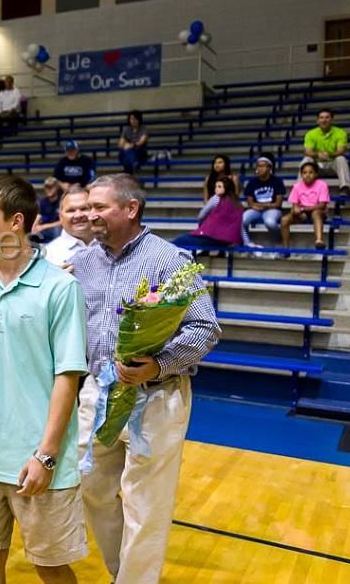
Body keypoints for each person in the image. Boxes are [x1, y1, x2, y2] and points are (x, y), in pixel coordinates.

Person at [70, 173, 220, 584]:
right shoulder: (83, 261)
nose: (90, 214)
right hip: (97, 393)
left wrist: (158, 365)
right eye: (87, 207)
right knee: (90, 489)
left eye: (99, 207)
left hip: (157, 395)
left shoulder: (171, 260)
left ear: (130, 209)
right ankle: (125, 572)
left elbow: (205, 328)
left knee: (145, 505)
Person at [0, 174, 89, 584]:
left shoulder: (61, 288)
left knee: (51, 567)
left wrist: (46, 454)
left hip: (39, 460)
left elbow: (68, 376)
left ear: (15, 222)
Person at [172, 176, 246, 249]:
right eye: (216, 186)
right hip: (227, 241)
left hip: (212, 237)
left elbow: (201, 215)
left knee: (178, 241)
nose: (216, 189)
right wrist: (247, 242)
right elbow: (240, 226)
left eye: (219, 186)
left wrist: (202, 226)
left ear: (226, 188)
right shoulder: (238, 204)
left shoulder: (216, 198)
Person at [303, 108, 350, 197]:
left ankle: (345, 187)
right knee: (307, 159)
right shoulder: (310, 134)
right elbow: (308, 152)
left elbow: (341, 150)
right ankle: (301, 187)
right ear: (317, 120)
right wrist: (318, 154)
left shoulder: (340, 132)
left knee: (341, 159)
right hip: (317, 167)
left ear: (332, 119)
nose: (324, 120)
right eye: (321, 118)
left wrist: (328, 154)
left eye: (327, 117)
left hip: (333, 164)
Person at [283, 159, 330, 250]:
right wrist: (296, 210)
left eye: (311, 172)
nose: (307, 175)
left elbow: (322, 205)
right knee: (284, 219)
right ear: (301, 175)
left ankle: (319, 240)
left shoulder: (322, 185)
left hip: (319, 212)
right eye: (304, 173)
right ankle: (285, 249)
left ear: (316, 174)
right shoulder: (297, 186)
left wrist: (303, 209)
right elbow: (295, 205)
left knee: (315, 213)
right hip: (302, 213)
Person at [242, 153, 286, 244]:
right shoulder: (252, 182)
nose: (259, 168)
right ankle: (246, 242)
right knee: (242, 220)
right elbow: (250, 203)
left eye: (262, 166)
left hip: (273, 210)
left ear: (269, 168)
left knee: (269, 222)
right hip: (256, 210)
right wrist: (262, 206)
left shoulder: (277, 181)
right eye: (258, 166)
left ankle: (277, 241)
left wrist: (263, 206)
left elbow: (278, 204)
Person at [44, 187, 93, 268]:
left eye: (84, 209)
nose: (78, 215)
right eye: (71, 210)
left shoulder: (112, 246)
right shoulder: (48, 256)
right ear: (60, 217)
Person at [118, 110, 149, 175]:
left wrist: (130, 145)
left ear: (139, 120)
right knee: (123, 153)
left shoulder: (144, 129)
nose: (133, 121)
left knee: (126, 154)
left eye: (135, 119)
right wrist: (126, 145)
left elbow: (141, 142)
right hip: (127, 152)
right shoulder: (126, 129)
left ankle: (128, 173)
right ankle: (135, 164)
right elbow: (120, 144)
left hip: (140, 152)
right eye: (131, 119)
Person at [33, 177, 63, 242]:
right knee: (30, 233)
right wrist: (33, 227)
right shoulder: (42, 201)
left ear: (57, 188)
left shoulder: (62, 201)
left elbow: (63, 221)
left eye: (51, 187)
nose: (49, 190)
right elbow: (38, 216)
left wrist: (44, 226)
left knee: (57, 230)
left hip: (56, 229)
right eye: (47, 187)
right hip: (44, 229)